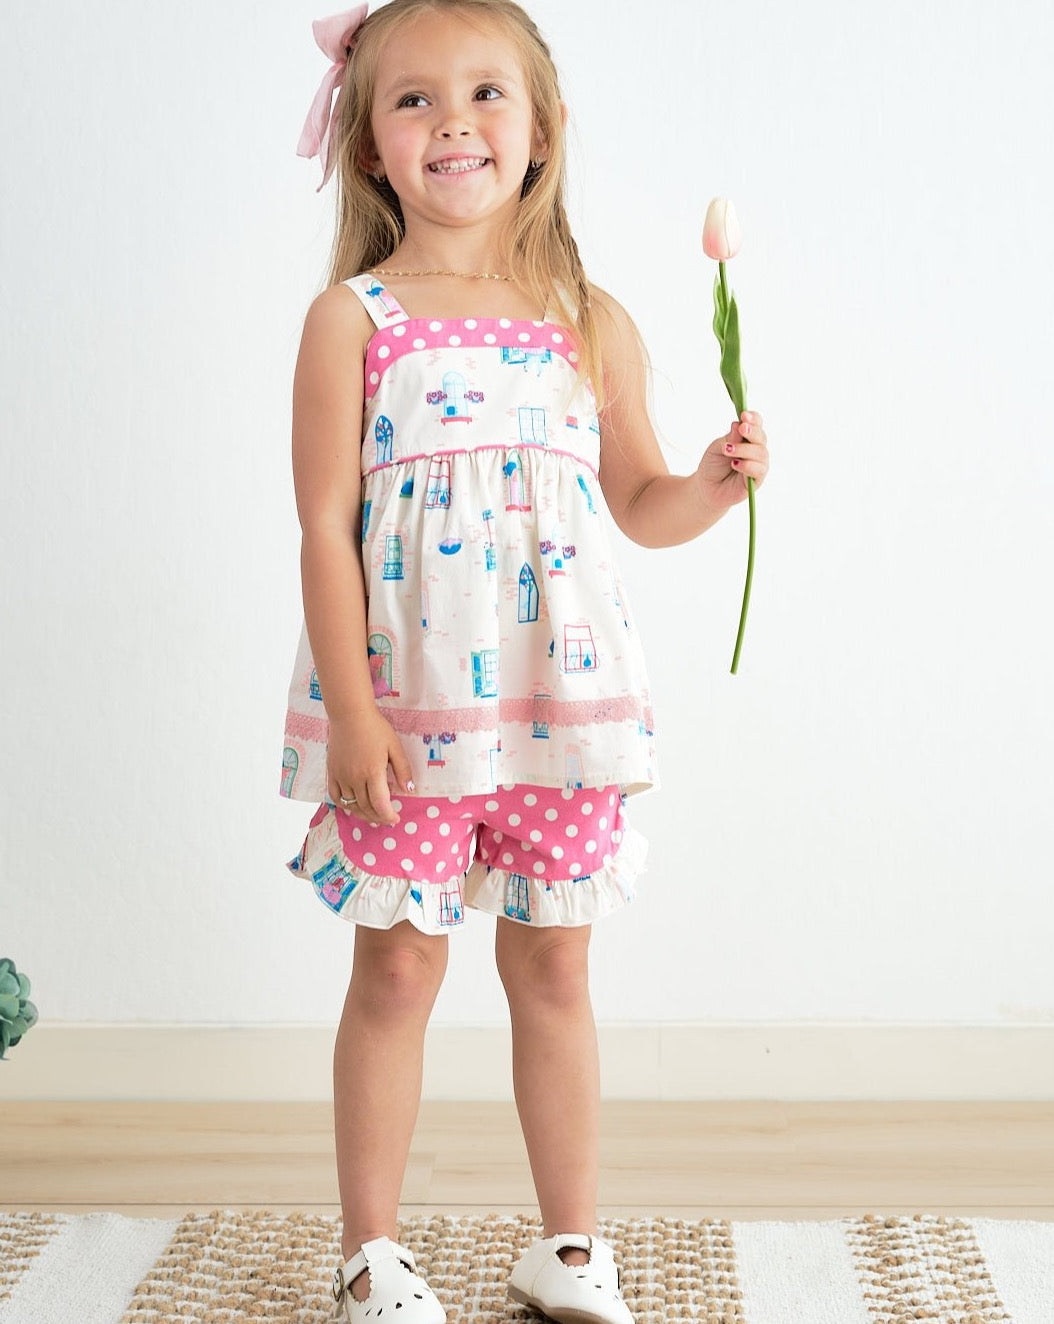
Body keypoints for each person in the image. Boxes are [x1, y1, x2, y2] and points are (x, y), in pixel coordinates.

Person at [280, 2, 771, 1321]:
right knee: (398, 968)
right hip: (407, 710)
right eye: (415, 99)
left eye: (486, 93)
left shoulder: (585, 319)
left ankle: (568, 1245)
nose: (454, 122)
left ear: (541, 129)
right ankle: (371, 1251)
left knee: (554, 965)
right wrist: (355, 714)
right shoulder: (352, 320)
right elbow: (324, 528)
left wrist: (713, 486)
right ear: (370, 144)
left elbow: (639, 504)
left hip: (559, 708)